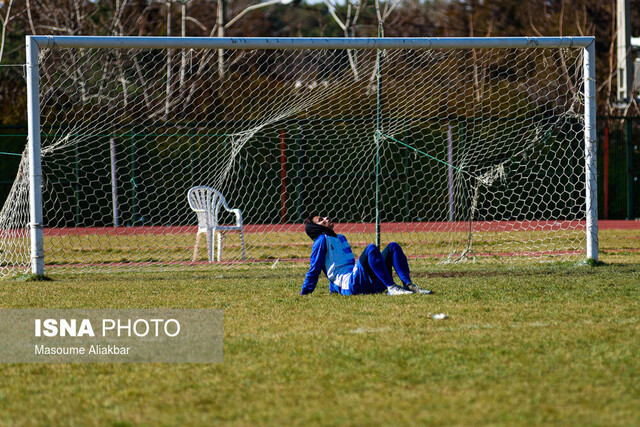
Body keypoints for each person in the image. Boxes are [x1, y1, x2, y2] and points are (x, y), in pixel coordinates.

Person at [300, 214, 433, 296]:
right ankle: (391, 287)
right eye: (320, 220)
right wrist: (305, 293)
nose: (326, 218)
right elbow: (316, 269)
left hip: (365, 284)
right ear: (315, 228)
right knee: (371, 249)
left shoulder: (341, 237)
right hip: (351, 285)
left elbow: (333, 266)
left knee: (393, 246)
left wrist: (333, 290)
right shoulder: (321, 241)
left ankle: (408, 285)